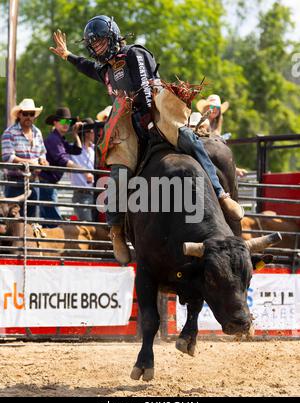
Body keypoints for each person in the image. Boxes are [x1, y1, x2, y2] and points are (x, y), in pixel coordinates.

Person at [49, 16, 244, 264]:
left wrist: (150, 120)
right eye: (93, 45)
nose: (96, 48)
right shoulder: (106, 70)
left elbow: (144, 84)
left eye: (99, 42)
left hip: (156, 111)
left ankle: (221, 196)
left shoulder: (134, 54)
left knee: (188, 138)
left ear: (111, 38)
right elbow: (86, 66)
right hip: (129, 123)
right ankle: (116, 230)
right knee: (119, 172)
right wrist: (66, 54)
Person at [39, 107, 93, 221]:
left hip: (49, 184)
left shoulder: (60, 139)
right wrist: (84, 171)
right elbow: (62, 160)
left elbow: (77, 150)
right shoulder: (54, 139)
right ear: (55, 122)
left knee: (50, 219)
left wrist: (75, 134)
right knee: (53, 220)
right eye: (63, 121)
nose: (66, 124)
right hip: (46, 183)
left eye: (68, 122)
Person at [1, 98, 48, 217]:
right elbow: (8, 157)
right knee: (12, 220)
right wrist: (30, 162)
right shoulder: (10, 132)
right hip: (15, 183)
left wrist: (43, 161)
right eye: (25, 114)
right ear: (19, 114)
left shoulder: (37, 132)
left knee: (33, 221)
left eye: (31, 114)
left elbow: (42, 153)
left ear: (34, 116)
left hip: (34, 182)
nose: (28, 117)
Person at [70, 117, 95, 221]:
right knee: (87, 224)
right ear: (87, 133)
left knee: (95, 226)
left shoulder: (94, 149)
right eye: (93, 131)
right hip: (82, 194)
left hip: (95, 193)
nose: (95, 133)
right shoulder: (73, 149)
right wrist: (75, 135)